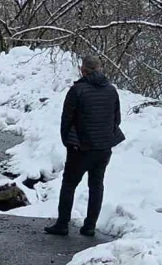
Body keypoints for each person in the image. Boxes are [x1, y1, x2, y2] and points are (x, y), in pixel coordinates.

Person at [44, 55, 125, 237]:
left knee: (69, 184)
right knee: (96, 186)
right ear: (100, 69)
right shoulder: (111, 91)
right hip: (103, 148)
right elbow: (116, 119)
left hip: (80, 148)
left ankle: (62, 224)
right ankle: (89, 226)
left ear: (83, 70)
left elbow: (67, 120)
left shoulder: (77, 90)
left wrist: (68, 142)